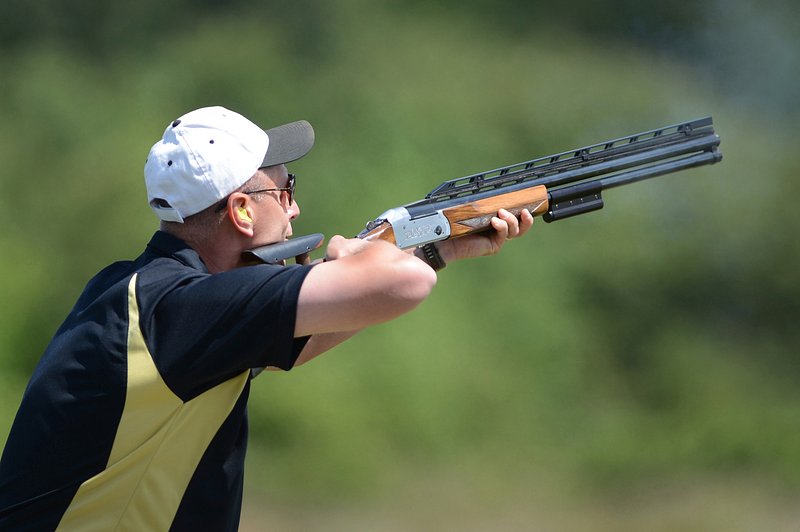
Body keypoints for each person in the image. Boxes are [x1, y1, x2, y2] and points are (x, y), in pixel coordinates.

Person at [0, 106, 534, 530]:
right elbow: (404, 284)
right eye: (285, 190)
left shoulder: (144, 292)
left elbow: (296, 342)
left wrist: (436, 248)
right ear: (241, 211)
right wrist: (357, 257)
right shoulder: (182, 307)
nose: (295, 208)